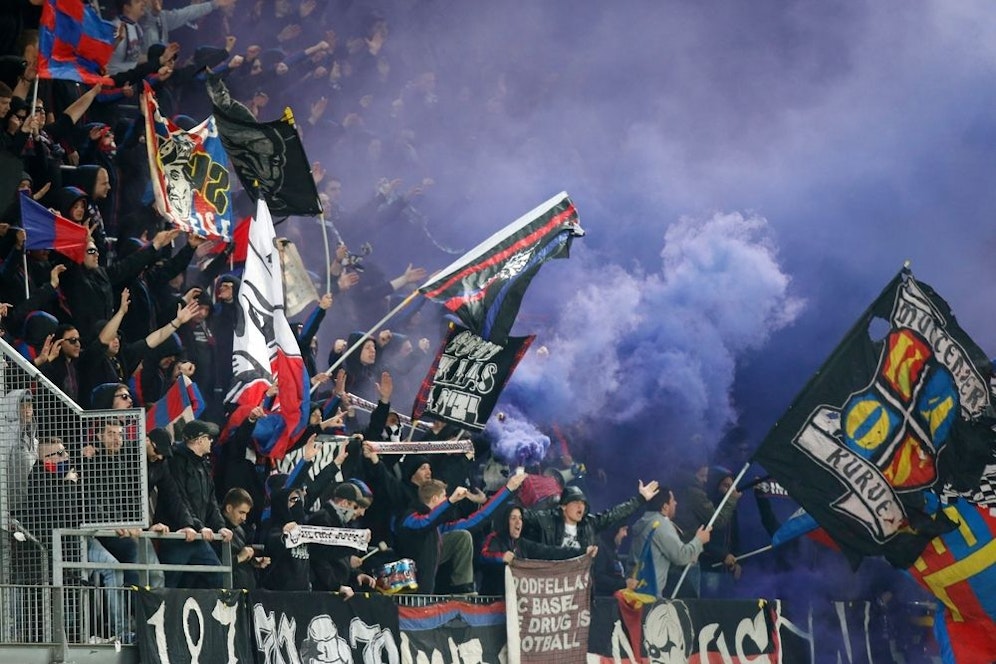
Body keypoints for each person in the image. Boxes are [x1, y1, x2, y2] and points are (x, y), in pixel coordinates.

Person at [394, 471, 526, 595]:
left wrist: (508, 489)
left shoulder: (439, 527)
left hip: (428, 590)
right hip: (405, 589)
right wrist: (451, 501)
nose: (446, 499)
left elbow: (477, 519)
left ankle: (463, 590)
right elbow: (424, 524)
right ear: (434, 499)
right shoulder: (409, 519)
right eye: (443, 497)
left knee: (462, 536)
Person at [156, 419, 233, 588]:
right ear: (199, 440)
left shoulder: (204, 465)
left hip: (197, 536)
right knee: (169, 585)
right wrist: (196, 526)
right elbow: (179, 499)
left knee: (218, 578)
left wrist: (220, 526)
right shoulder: (175, 462)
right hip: (178, 536)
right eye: (208, 438)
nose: (211, 441)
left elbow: (211, 501)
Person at [479, 502, 592, 596]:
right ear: (505, 521)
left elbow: (550, 551)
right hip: (492, 603)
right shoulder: (494, 538)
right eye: (513, 518)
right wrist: (501, 557)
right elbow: (482, 557)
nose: (518, 522)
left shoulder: (523, 544)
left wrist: (582, 551)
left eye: (520, 518)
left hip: (514, 602)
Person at [521, 481, 659, 553]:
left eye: (583, 503)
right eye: (575, 502)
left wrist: (640, 499)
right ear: (563, 506)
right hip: (553, 583)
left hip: (579, 586)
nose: (580, 506)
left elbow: (614, 514)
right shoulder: (547, 520)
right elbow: (520, 516)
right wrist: (512, 488)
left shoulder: (589, 524)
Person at [628, 487, 711, 599]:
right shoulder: (660, 524)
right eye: (673, 500)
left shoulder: (643, 522)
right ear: (665, 506)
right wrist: (699, 540)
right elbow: (681, 556)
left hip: (634, 592)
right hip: (650, 594)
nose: (675, 503)